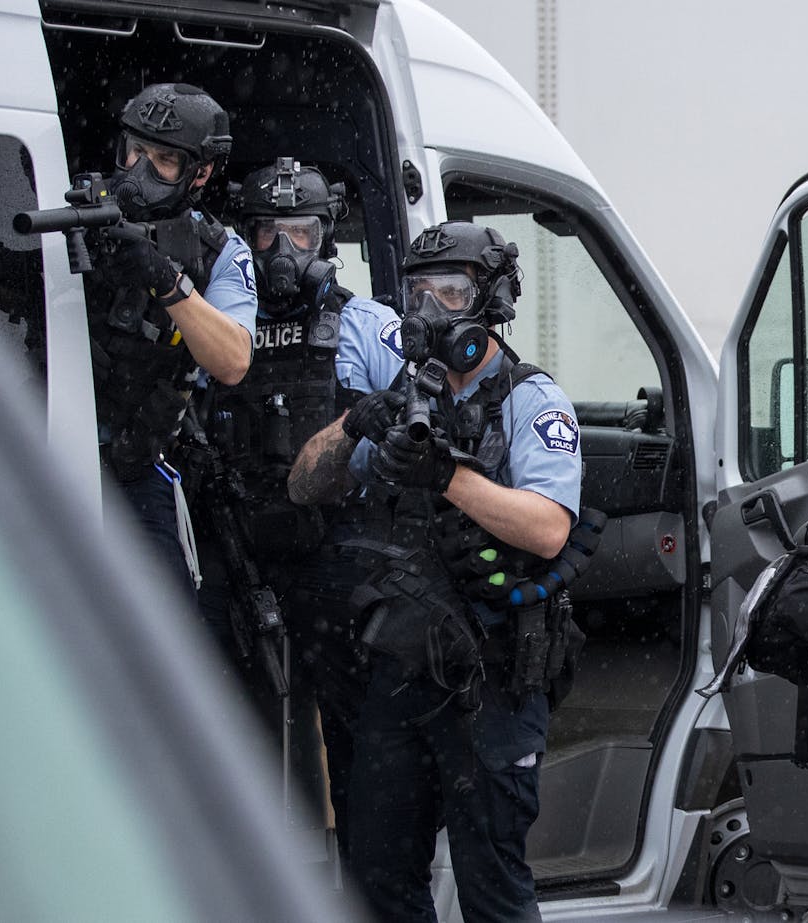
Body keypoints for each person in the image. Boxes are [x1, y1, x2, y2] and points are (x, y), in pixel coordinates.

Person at [288, 220, 583, 922]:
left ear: (491, 301)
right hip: (403, 672)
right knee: (378, 878)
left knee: (493, 892)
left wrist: (445, 474)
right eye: (419, 292)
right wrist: (358, 419)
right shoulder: (407, 392)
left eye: (451, 292)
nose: (430, 309)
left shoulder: (530, 400)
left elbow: (548, 527)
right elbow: (303, 484)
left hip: (494, 681)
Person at [184, 157, 404, 851]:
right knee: (224, 737)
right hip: (235, 556)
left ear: (327, 237)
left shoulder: (368, 325)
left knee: (355, 747)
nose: (283, 253)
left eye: (301, 234)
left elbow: (424, 425)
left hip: (333, 563)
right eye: (266, 234)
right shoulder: (216, 330)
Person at [88, 83, 255, 593]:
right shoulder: (78, 212)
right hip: (38, 452)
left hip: (135, 468)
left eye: (163, 159)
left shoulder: (220, 251)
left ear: (200, 172)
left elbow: (232, 360)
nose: (138, 169)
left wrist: (163, 278)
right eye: (134, 150)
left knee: (158, 633)